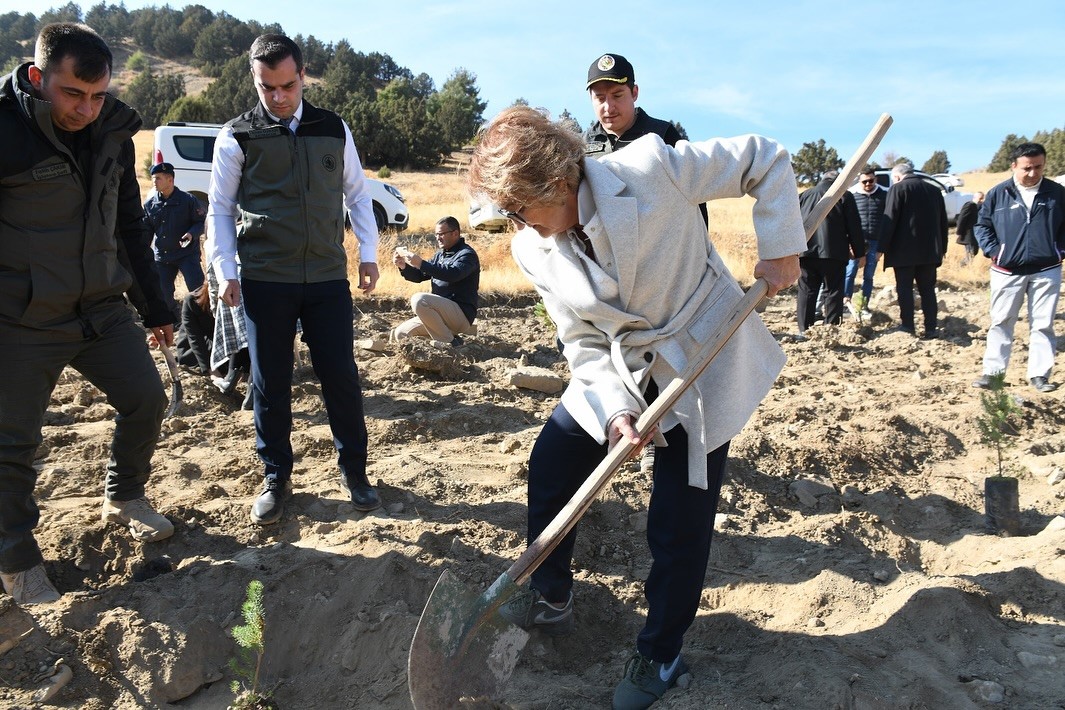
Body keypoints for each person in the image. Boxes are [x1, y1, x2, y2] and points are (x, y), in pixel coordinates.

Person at [468, 106, 805, 710]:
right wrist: (618, 410)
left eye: (520, 207)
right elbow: (583, 339)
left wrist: (782, 246)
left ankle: (660, 650)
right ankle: (550, 590)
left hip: (697, 354)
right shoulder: (532, 248)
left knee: (678, 515)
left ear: (557, 181)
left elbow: (764, 157)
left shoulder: (650, 168)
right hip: (619, 364)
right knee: (553, 460)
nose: (516, 222)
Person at [0, 23, 176, 605]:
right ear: (37, 78)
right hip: (23, 316)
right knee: (12, 445)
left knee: (147, 398)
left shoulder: (114, 136)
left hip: (100, 306)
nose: (87, 108)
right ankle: (19, 563)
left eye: (98, 95)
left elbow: (129, 226)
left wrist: (154, 306)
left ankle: (124, 496)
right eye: (74, 93)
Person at [206, 33, 381, 525]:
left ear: (303, 75)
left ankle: (355, 472)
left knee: (340, 377)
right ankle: (276, 477)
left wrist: (367, 253)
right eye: (267, 88)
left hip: (326, 277)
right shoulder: (236, 135)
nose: (279, 97)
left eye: (287, 85)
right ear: (255, 81)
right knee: (270, 382)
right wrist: (226, 270)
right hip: (266, 278)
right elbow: (219, 208)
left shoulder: (333, 128)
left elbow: (357, 194)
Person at [972, 143, 1065, 393]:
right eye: (1027, 168)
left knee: (1043, 323)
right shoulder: (997, 193)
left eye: (1038, 167)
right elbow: (982, 226)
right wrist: (995, 252)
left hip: (1047, 268)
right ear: (1014, 166)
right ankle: (993, 374)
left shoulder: (1057, 193)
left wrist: (1059, 250)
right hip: (1006, 270)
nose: (1033, 173)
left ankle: (1039, 375)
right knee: (1001, 321)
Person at [584, 52, 707, 227]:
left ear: (634, 93)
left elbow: (695, 193)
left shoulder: (662, 135)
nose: (608, 107)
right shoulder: (580, 146)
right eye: (600, 98)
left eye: (617, 95)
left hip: (660, 248)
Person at [877, 163, 948, 338]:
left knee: (905, 289)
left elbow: (890, 220)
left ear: (897, 177)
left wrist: (881, 248)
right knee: (928, 290)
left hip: (903, 252)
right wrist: (943, 248)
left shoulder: (898, 189)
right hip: (930, 252)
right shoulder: (934, 190)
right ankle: (931, 328)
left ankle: (908, 326)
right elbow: (943, 222)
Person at [391, 216, 480, 346]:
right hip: (439, 314)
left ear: (455, 233)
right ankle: (449, 339)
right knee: (401, 334)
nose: (438, 237)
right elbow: (420, 276)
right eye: (436, 234)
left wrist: (421, 263)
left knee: (420, 300)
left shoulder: (467, 255)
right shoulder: (440, 255)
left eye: (441, 234)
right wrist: (403, 266)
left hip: (460, 314)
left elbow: (453, 274)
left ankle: (449, 343)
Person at [796, 170, 865, 333]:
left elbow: (793, 224)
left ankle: (803, 330)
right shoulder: (844, 196)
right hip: (834, 253)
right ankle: (831, 329)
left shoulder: (805, 195)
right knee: (833, 291)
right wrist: (860, 253)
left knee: (806, 291)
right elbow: (854, 227)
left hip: (806, 253)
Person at [143, 161, 206, 319]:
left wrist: (191, 234)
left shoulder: (188, 200)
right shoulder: (150, 205)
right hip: (163, 257)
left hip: (187, 255)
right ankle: (177, 321)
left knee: (198, 292)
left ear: (170, 180)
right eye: (153, 178)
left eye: (158, 178)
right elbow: (147, 231)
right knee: (163, 294)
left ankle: (204, 320)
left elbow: (200, 222)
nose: (154, 182)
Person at [844, 167, 887, 312]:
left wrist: (882, 248)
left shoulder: (884, 195)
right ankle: (845, 301)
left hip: (875, 241)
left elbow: (887, 219)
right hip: (857, 242)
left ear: (876, 179)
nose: (868, 184)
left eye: (871, 181)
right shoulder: (853, 195)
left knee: (869, 275)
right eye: (865, 181)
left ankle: (863, 305)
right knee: (850, 272)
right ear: (860, 181)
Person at [955, 191, 985, 263]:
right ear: (974, 198)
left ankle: (964, 267)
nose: (981, 200)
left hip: (975, 235)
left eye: (983, 198)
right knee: (971, 253)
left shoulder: (980, 207)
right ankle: (962, 267)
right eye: (980, 198)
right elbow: (962, 218)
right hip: (968, 234)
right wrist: (959, 231)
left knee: (973, 252)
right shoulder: (970, 205)